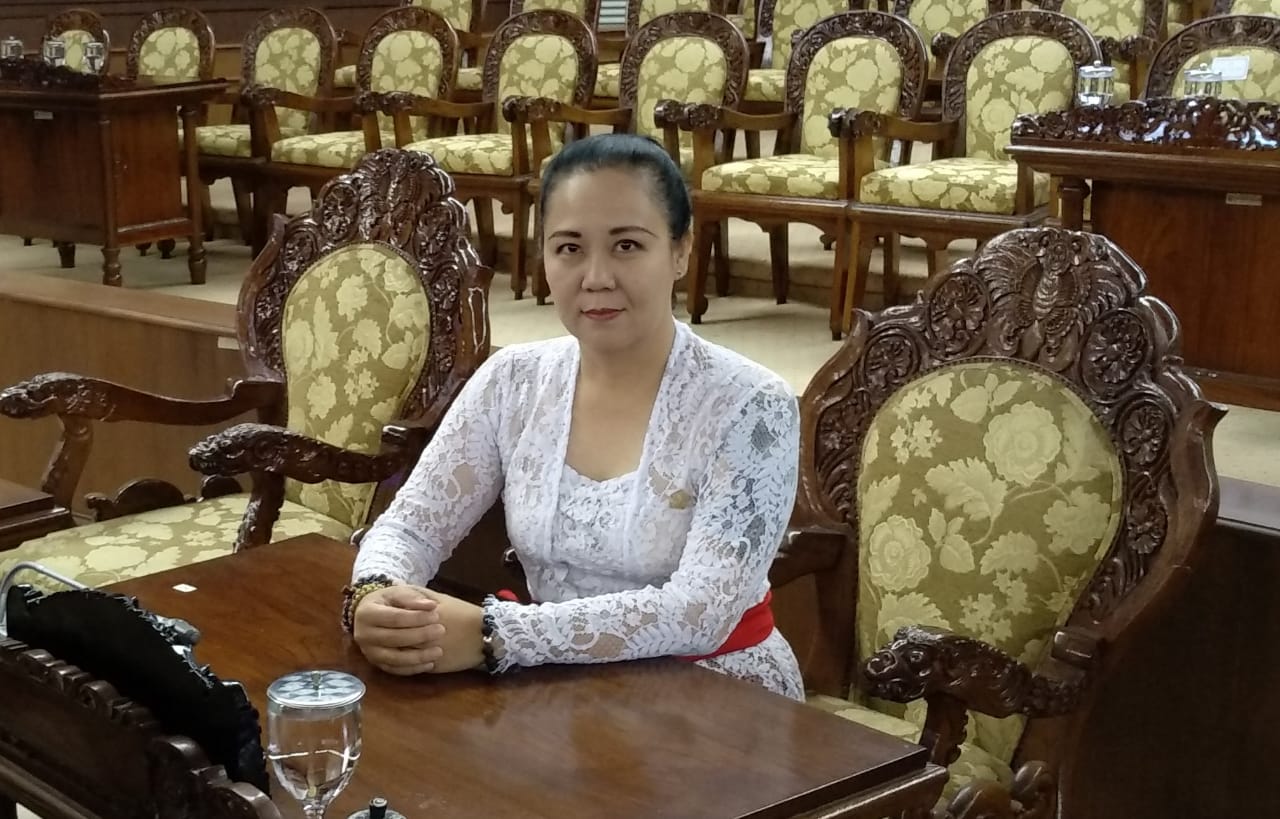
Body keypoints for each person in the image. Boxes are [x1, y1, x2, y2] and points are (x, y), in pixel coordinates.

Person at [342, 133, 804, 700]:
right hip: (556, 685)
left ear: (681, 251)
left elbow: (699, 613)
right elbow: (411, 526)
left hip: (715, 691)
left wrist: (496, 636)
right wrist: (377, 593)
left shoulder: (752, 404)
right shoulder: (513, 381)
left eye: (627, 245)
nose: (596, 277)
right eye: (569, 248)